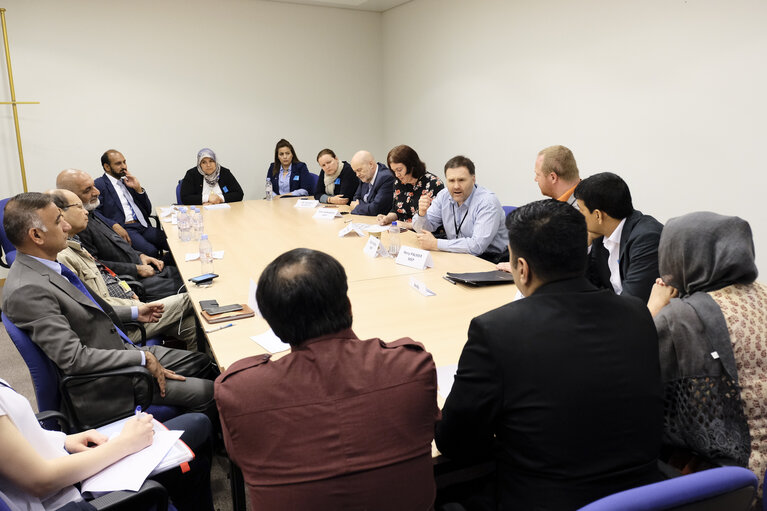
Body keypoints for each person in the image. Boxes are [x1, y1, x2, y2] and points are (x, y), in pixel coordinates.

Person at [435, 199, 664, 510]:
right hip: (645, 496)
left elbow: (455, 443)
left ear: (522, 268)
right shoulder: (636, 313)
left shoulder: (496, 331)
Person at [215, 248, 439, 510]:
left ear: (274, 326)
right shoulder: (412, 367)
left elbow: (240, 456)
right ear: (348, 306)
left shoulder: (239, 392)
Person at [1, 193, 218, 428]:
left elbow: (84, 312)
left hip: (117, 348)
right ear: (36, 235)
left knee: (203, 362)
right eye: (58, 221)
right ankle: (199, 447)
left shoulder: (47, 264)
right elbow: (75, 359)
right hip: (107, 385)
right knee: (210, 392)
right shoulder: (27, 289)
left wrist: (135, 313)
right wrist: (142, 357)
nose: (66, 226)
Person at [647, 212, 767, 490]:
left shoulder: (681, 317)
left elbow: (630, 370)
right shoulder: (762, 293)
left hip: (735, 477)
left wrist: (653, 310)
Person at [0, 379, 215, 511]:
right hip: (68, 498)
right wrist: (124, 444)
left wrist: (63, 440)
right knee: (197, 430)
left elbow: (17, 429)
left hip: (66, 468)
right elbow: (40, 480)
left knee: (196, 456)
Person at [49, 189, 198, 351]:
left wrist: (127, 292)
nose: (85, 211)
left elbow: (103, 275)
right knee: (196, 296)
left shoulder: (75, 242)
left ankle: (211, 370)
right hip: (122, 325)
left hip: (129, 305)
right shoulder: (63, 257)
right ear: (60, 214)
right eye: (79, 207)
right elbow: (90, 311)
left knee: (195, 327)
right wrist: (134, 310)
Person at [57, 169, 185, 302]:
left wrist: (140, 255)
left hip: (142, 267)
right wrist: (136, 269)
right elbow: (96, 266)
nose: (97, 192)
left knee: (188, 271)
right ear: (71, 197)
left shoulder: (92, 212)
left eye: (94, 186)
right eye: (88, 190)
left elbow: (117, 243)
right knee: (190, 285)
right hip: (133, 280)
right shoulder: (78, 227)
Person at [574, 172, 663, 303]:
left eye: (581, 210)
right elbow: (587, 288)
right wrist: (585, 245)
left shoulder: (646, 239)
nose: (578, 217)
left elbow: (633, 302)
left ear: (598, 215)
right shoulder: (599, 236)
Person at [413, 155, 508, 263]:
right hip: (456, 253)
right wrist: (422, 214)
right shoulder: (444, 195)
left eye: (461, 180)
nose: (456, 186)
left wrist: (436, 244)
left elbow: (477, 246)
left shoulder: (487, 202)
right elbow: (424, 230)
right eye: (451, 180)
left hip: (489, 260)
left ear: (473, 179)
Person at [94, 149, 167, 258]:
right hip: (125, 228)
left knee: (171, 241)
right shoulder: (99, 184)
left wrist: (138, 189)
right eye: (118, 163)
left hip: (142, 225)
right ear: (107, 167)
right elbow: (94, 212)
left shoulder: (127, 182)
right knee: (151, 251)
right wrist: (113, 225)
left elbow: (147, 210)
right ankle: (162, 271)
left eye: (124, 162)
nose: (124, 166)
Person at [377, 144, 444, 229]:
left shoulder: (434, 184)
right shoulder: (398, 183)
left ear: (411, 166)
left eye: (399, 170)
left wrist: (407, 225)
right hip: (401, 231)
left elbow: (434, 221)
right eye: (394, 171)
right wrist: (387, 218)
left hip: (424, 234)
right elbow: (396, 211)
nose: (397, 175)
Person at [179, 148, 244, 205]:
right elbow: (185, 198)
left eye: (211, 161)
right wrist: (207, 198)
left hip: (224, 212)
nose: (208, 165)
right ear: (199, 164)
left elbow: (239, 194)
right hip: (201, 212)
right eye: (204, 162)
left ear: (215, 161)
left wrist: (220, 199)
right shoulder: (192, 174)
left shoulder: (225, 173)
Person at [348, 150, 394, 216]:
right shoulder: (365, 176)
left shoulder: (386, 178)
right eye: (355, 172)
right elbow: (356, 198)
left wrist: (357, 207)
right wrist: (367, 206)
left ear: (371, 164)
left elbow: (376, 209)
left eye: (359, 170)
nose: (357, 175)